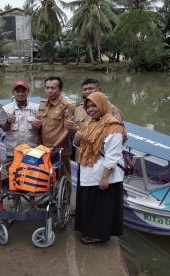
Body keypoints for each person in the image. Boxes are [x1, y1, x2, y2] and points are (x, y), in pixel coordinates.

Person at [73, 92, 125, 244]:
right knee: (90, 204)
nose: (90, 109)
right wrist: (76, 140)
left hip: (102, 174)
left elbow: (113, 155)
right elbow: (83, 145)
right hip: (88, 171)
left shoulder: (113, 126)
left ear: (102, 105)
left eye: (94, 105)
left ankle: (99, 235)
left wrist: (104, 178)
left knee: (100, 207)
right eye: (88, 106)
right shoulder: (90, 123)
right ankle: (88, 230)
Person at [32, 76, 74, 180]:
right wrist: (34, 125)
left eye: (53, 88)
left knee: (64, 177)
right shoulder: (42, 105)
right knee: (47, 177)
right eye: (47, 88)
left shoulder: (66, 106)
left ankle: (66, 196)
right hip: (44, 149)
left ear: (60, 90)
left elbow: (67, 129)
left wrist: (55, 146)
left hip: (60, 150)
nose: (49, 91)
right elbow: (38, 126)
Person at [0, 80, 39, 157]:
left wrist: (38, 126)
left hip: (32, 151)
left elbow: (42, 129)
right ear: (13, 93)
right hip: (12, 152)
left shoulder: (37, 108)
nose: (20, 94)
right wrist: (8, 122)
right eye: (17, 91)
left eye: (23, 91)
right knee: (12, 169)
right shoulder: (5, 109)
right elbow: (4, 129)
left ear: (28, 92)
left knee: (31, 169)